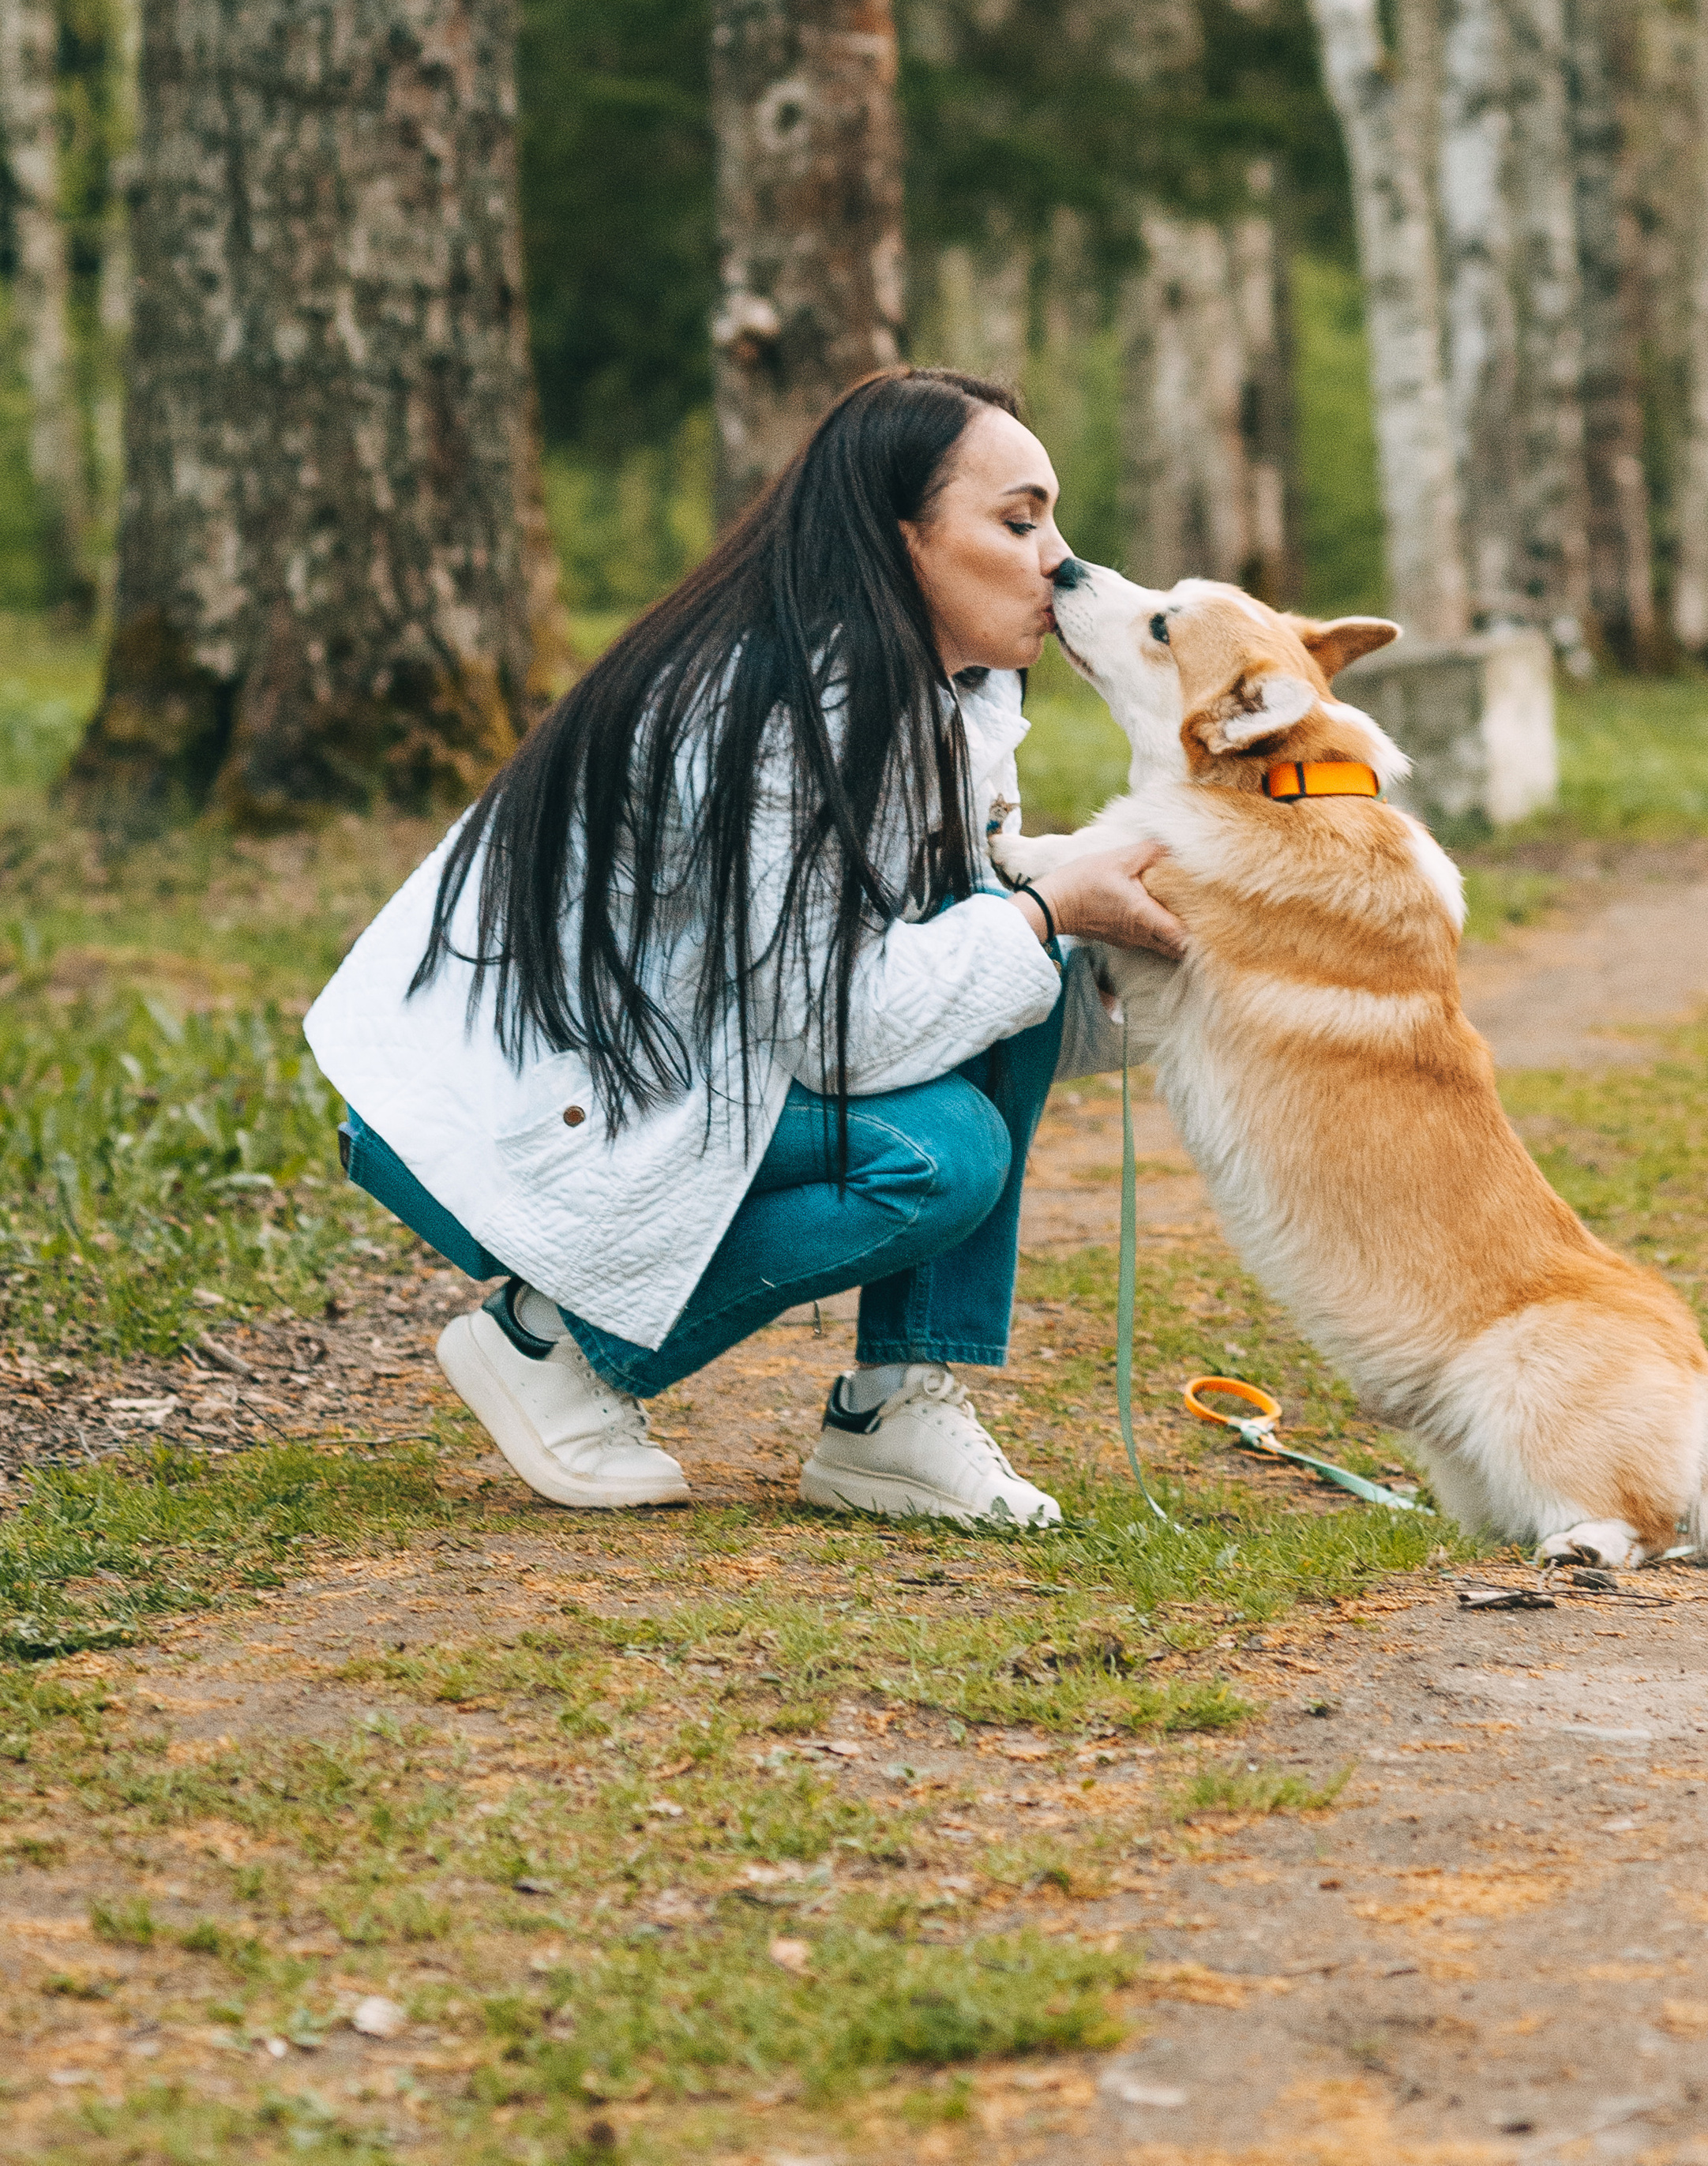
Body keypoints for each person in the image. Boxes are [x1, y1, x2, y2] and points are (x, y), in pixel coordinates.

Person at [303, 367, 1184, 1527]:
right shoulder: (777, 709)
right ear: (902, 539)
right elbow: (838, 1032)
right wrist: (1048, 913)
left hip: (674, 1070)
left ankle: (896, 1404)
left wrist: (1175, 964)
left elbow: (962, 993)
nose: (1060, 561)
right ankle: (553, 1343)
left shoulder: (944, 700)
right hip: (496, 1113)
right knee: (941, 1153)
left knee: (1011, 961)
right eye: (1020, 523)